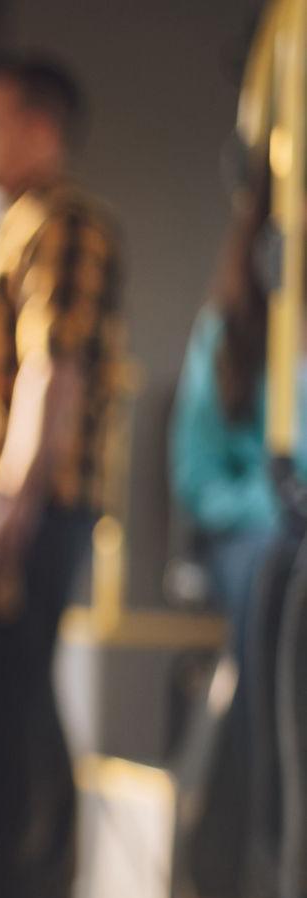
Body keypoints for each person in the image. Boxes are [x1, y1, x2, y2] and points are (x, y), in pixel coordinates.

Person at [0, 56, 127, 898]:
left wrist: (12, 504)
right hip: (4, 498)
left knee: (5, 685)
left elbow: (57, 368)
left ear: (41, 130)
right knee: (10, 688)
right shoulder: (8, 230)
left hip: (36, 506)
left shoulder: (64, 225)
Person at [172, 165, 307, 663]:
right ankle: (269, 741)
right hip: (253, 539)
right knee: (276, 570)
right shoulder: (228, 339)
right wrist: (278, 511)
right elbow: (197, 476)